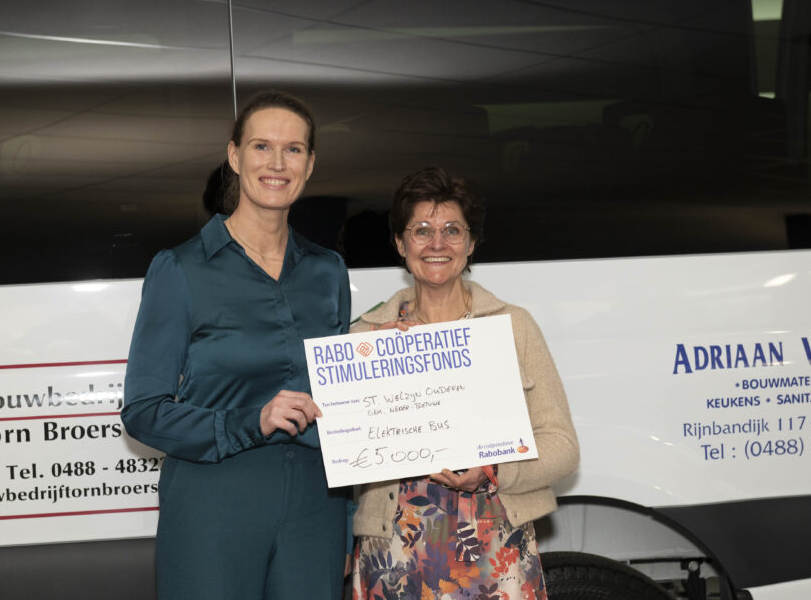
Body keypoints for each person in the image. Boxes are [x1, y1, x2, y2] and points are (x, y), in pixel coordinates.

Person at [122, 90, 351, 599]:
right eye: (261, 146)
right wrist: (252, 420)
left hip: (316, 503)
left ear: (310, 164)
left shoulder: (328, 270)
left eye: (293, 149)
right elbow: (143, 411)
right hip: (214, 497)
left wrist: (348, 520)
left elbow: (342, 395)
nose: (277, 163)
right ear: (234, 156)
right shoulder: (181, 269)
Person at [351, 167, 580, 600]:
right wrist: (372, 370)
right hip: (396, 558)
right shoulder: (367, 337)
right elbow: (344, 450)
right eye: (421, 230)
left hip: (494, 552)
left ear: (471, 243)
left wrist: (495, 471)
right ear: (400, 243)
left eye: (452, 230)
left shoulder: (513, 326)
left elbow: (563, 446)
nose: (437, 244)